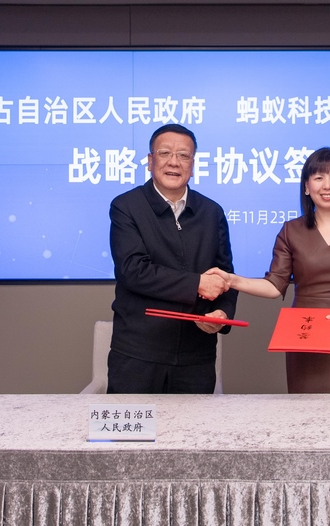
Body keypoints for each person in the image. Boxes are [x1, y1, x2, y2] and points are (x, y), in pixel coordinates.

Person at [207, 147, 330, 393]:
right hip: (308, 333)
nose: (327, 185)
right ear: (307, 187)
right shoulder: (291, 230)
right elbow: (274, 285)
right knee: (311, 411)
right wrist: (232, 280)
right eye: (318, 177)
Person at [108, 124, 238, 394]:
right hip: (138, 353)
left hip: (196, 355)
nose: (174, 162)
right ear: (150, 161)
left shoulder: (212, 212)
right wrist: (196, 284)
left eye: (183, 155)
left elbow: (225, 276)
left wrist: (222, 314)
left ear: (193, 164)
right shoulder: (126, 206)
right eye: (165, 153)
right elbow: (133, 270)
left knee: (194, 424)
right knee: (133, 424)